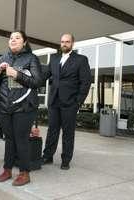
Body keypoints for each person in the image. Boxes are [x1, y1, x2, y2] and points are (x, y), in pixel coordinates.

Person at [0, 30, 43, 186]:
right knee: (9, 139)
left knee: (21, 140)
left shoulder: (31, 58)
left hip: (24, 106)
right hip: (5, 106)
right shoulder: (3, 58)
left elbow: (37, 82)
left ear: (24, 42)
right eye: (11, 38)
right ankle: (7, 170)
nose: (13, 40)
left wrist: (17, 74)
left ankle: (24, 172)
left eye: (17, 37)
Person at [42, 33, 92, 170]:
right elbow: (43, 76)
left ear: (72, 43)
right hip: (54, 101)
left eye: (67, 42)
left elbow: (86, 82)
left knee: (68, 133)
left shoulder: (81, 60)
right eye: (62, 41)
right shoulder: (54, 58)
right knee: (52, 130)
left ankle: (66, 160)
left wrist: (78, 102)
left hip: (70, 103)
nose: (64, 44)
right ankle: (47, 156)